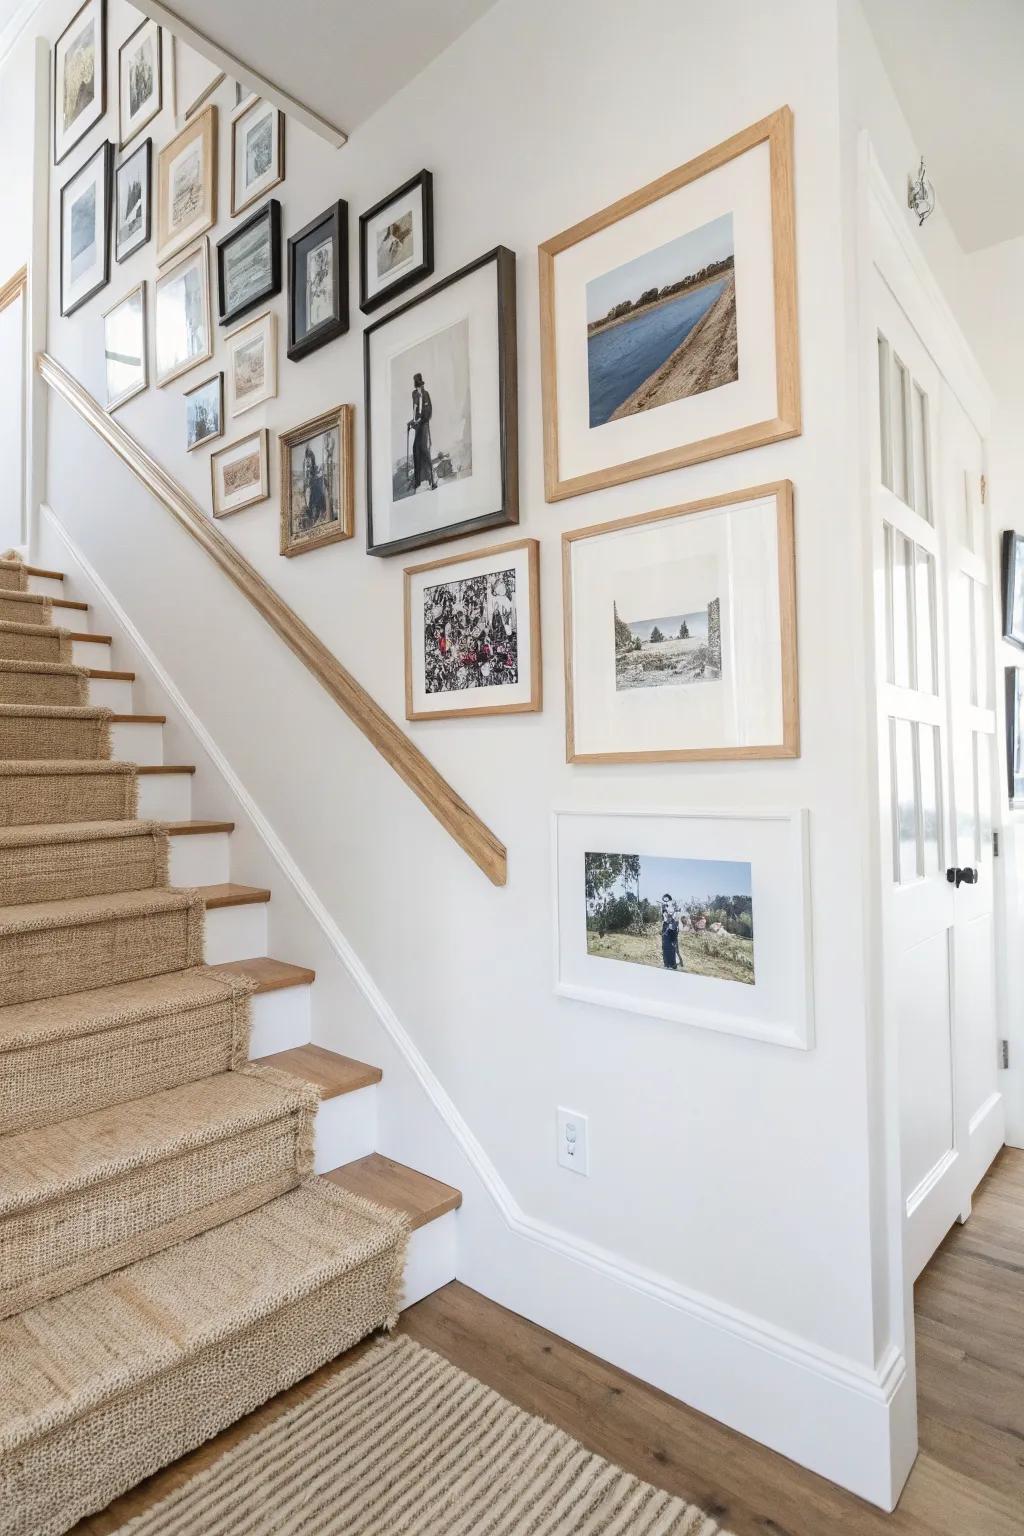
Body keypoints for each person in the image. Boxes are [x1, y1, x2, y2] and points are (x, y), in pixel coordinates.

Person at [409, 372, 437, 491]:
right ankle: (417, 481)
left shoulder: (426, 395)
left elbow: (429, 413)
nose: (419, 389)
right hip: (418, 426)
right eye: (417, 387)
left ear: (423, 386)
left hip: (424, 425)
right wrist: (413, 421)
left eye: (420, 386)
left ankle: (432, 480)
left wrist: (421, 419)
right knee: (415, 449)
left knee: (424, 450)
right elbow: (415, 412)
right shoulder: (414, 394)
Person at [661, 894, 682, 971]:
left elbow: (676, 919)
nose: (666, 901)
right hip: (666, 928)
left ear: (670, 900)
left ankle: (673, 964)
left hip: (673, 929)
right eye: (664, 900)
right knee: (665, 946)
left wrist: (673, 916)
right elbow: (665, 919)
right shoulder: (663, 907)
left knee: (672, 947)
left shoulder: (675, 908)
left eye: (667, 900)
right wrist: (667, 916)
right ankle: (666, 964)